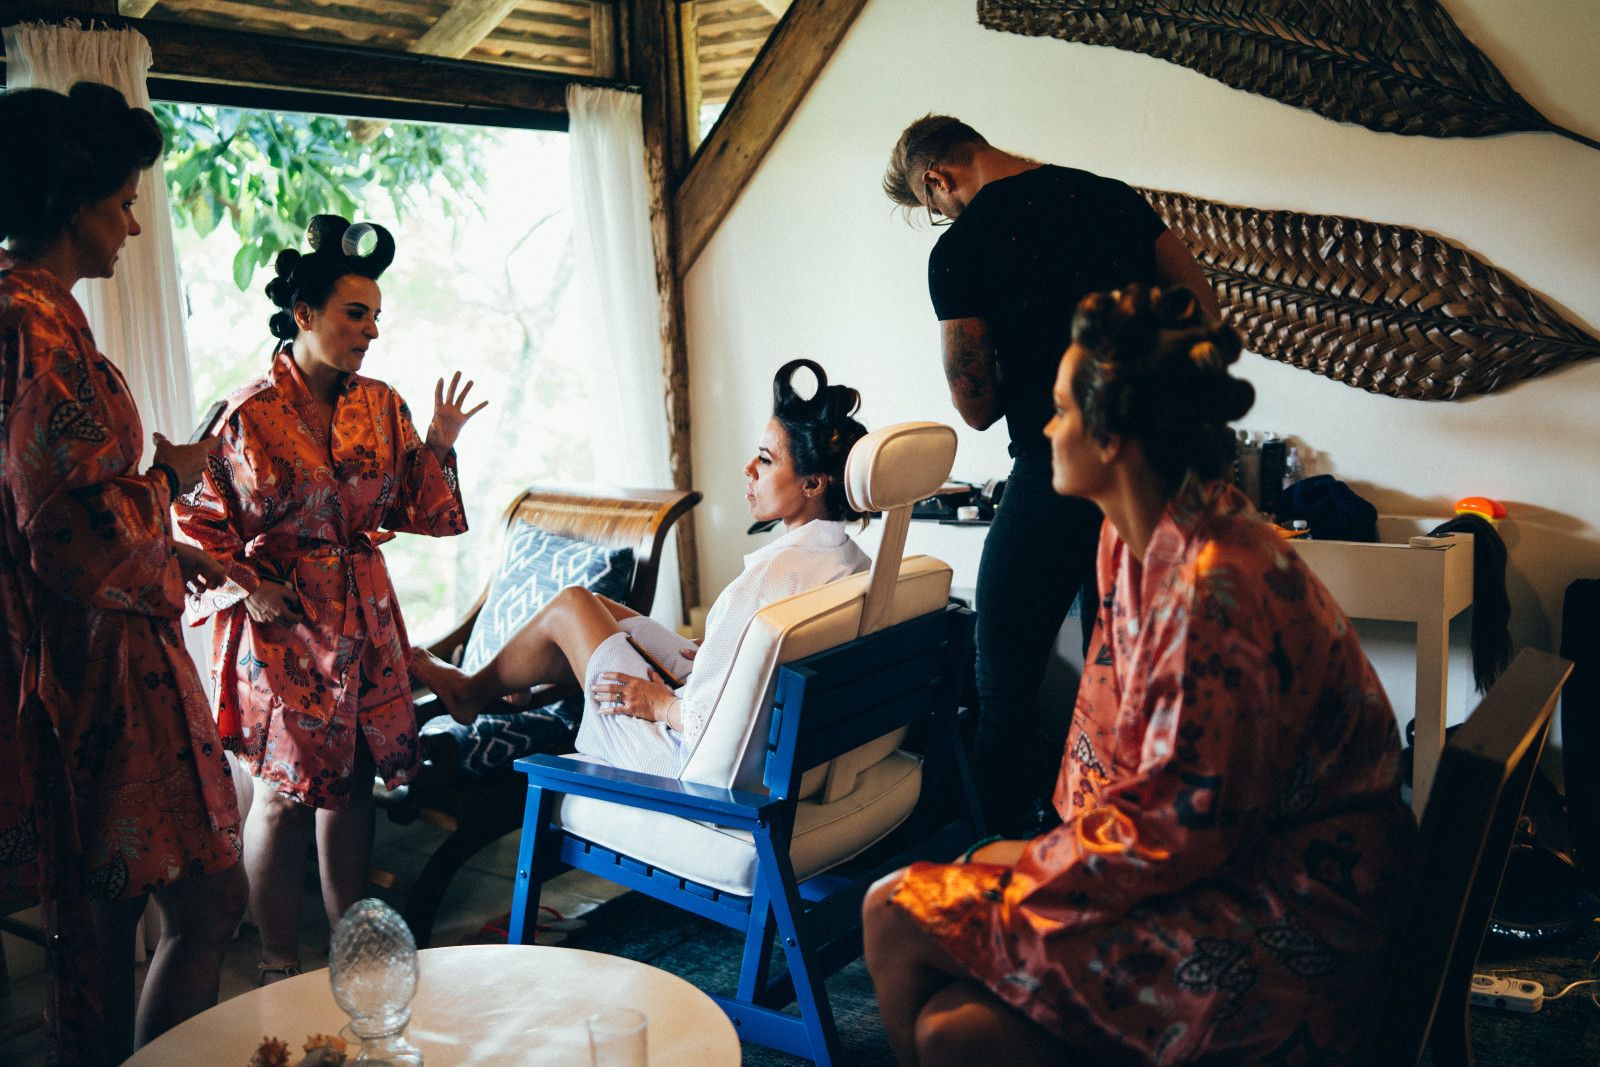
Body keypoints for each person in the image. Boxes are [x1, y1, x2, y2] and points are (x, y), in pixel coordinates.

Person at [862, 286, 1416, 1066]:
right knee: (948, 1023)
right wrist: (1032, 856)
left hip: (1292, 916)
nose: (1048, 428)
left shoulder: (1215, 583)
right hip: (1221, 868)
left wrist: (1025, 864)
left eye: (1060, 410)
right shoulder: (1132, 542)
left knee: (894, 912)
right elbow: (1117, 747)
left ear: (1113, 434)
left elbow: (1180, 827)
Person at [883, 115, 1222, 836]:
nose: (940, 214)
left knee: (1002, 674)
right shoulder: (1109, 197)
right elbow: (1203, 313)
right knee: (1141, 671)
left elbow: (973, 403)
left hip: (1058, 471)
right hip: (1157, 468)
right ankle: (1141, 842)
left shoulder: (962, 248)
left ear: (937, 179)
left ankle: (1006, 865)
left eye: (931, 204)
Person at [0, 81, 248, 1063]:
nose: (135, 224)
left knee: (109, 917)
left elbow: (57, 497)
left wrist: (163, 535)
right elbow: (67, 527)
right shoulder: (41, 332)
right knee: (206, 898)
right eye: (122, 202)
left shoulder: (27, 317)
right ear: (72, 207)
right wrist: (169, 478)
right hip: (108, 674)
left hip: (74, 656)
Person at [172, 215, 485, 983]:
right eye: (356, 313)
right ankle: (279, 963)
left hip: (363, 619)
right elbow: (190, 526)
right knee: (281, 797)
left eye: (377, 316)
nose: (372, 331)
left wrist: (439, 442)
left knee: (350, 787)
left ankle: (356, 958)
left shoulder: (381, 405)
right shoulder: (244, 414)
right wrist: (250, 585)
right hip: (280, 631)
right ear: (304, 314)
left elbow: (420, 508)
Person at [410, 359, 870, 778]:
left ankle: (470, 693)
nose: (749, 468)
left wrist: (661, 704)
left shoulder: (770, 578)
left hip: (679, 751)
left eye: (767, 460)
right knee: (598, 607)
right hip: (745, 728)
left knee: (571, 605)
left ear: (813, 482)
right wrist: (722, 653)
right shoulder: (851, 564)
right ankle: (511, 683)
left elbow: (704, 722)